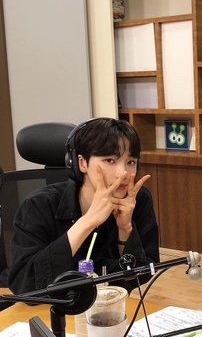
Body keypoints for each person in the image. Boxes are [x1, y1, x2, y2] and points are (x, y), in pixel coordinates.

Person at [8, 117, 159, 294]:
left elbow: (144, 274)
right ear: (82, 163)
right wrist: (87, 222)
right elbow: (24, 284)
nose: (123, 173)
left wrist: (125, 230)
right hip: (53, 306)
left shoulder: (137, 200)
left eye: (131, 162)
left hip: (110, 305)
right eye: (110, 160)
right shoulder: (38, 205)